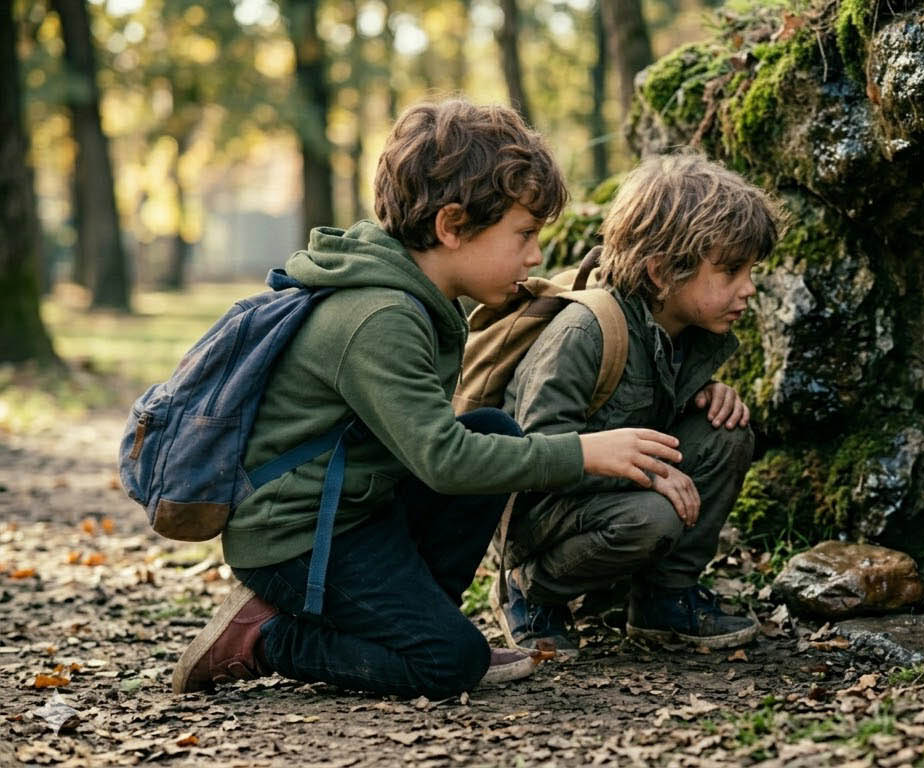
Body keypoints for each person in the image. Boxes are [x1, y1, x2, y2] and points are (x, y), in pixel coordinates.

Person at [171, 100, 684, 697]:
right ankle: (264, 637)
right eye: (524, 234)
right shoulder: (381, 317)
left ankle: (411, 624)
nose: (536, 255)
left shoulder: (418, 296)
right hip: (296, 539)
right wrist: (584, 452)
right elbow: (443, 461)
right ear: (452, 226)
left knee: (492, 429)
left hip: (359, 510)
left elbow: (447, 448)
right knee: (449, 664)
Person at [496, 151, 780, 656]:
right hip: (541, 515)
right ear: (661, 272)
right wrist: (648, 474)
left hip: (612, 499)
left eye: (751, 270)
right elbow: (535, 456)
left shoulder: (686, 328)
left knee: (726, 432)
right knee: (653, 517)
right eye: (731, 271)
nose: (749, 289)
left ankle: (662, 598)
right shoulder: (584, 333)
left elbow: (648, 410)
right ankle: (530, 590)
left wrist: (704, 398)